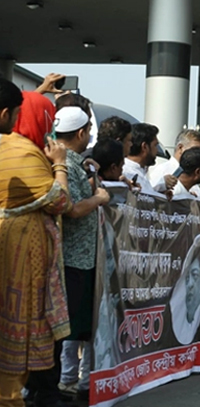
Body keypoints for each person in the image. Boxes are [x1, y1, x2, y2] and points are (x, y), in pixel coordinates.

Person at [0, 79, 73, 407]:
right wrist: (59, 163)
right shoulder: (20, 151)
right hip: (18, 258)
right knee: (15, 328)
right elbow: (60, 202)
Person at [54, 106, 110, 402]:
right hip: (72, 259)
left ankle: (67, 383)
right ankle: (61, 384)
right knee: (68, 329)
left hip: (81, 259)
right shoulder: (67, 167)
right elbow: (71, 208)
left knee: (77, 327)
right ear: (80, 133)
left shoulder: (77, 164)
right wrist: (98, 198)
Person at [149, 129, 200, 194]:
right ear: (180, 148)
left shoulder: (194, 174)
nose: (199, 154)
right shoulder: (162, 171)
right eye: (195, 150)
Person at [123, 123, 160, 192]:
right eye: (155, 145)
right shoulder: (127, 173)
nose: (157, 151)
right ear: (144, 147)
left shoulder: (139, 171)